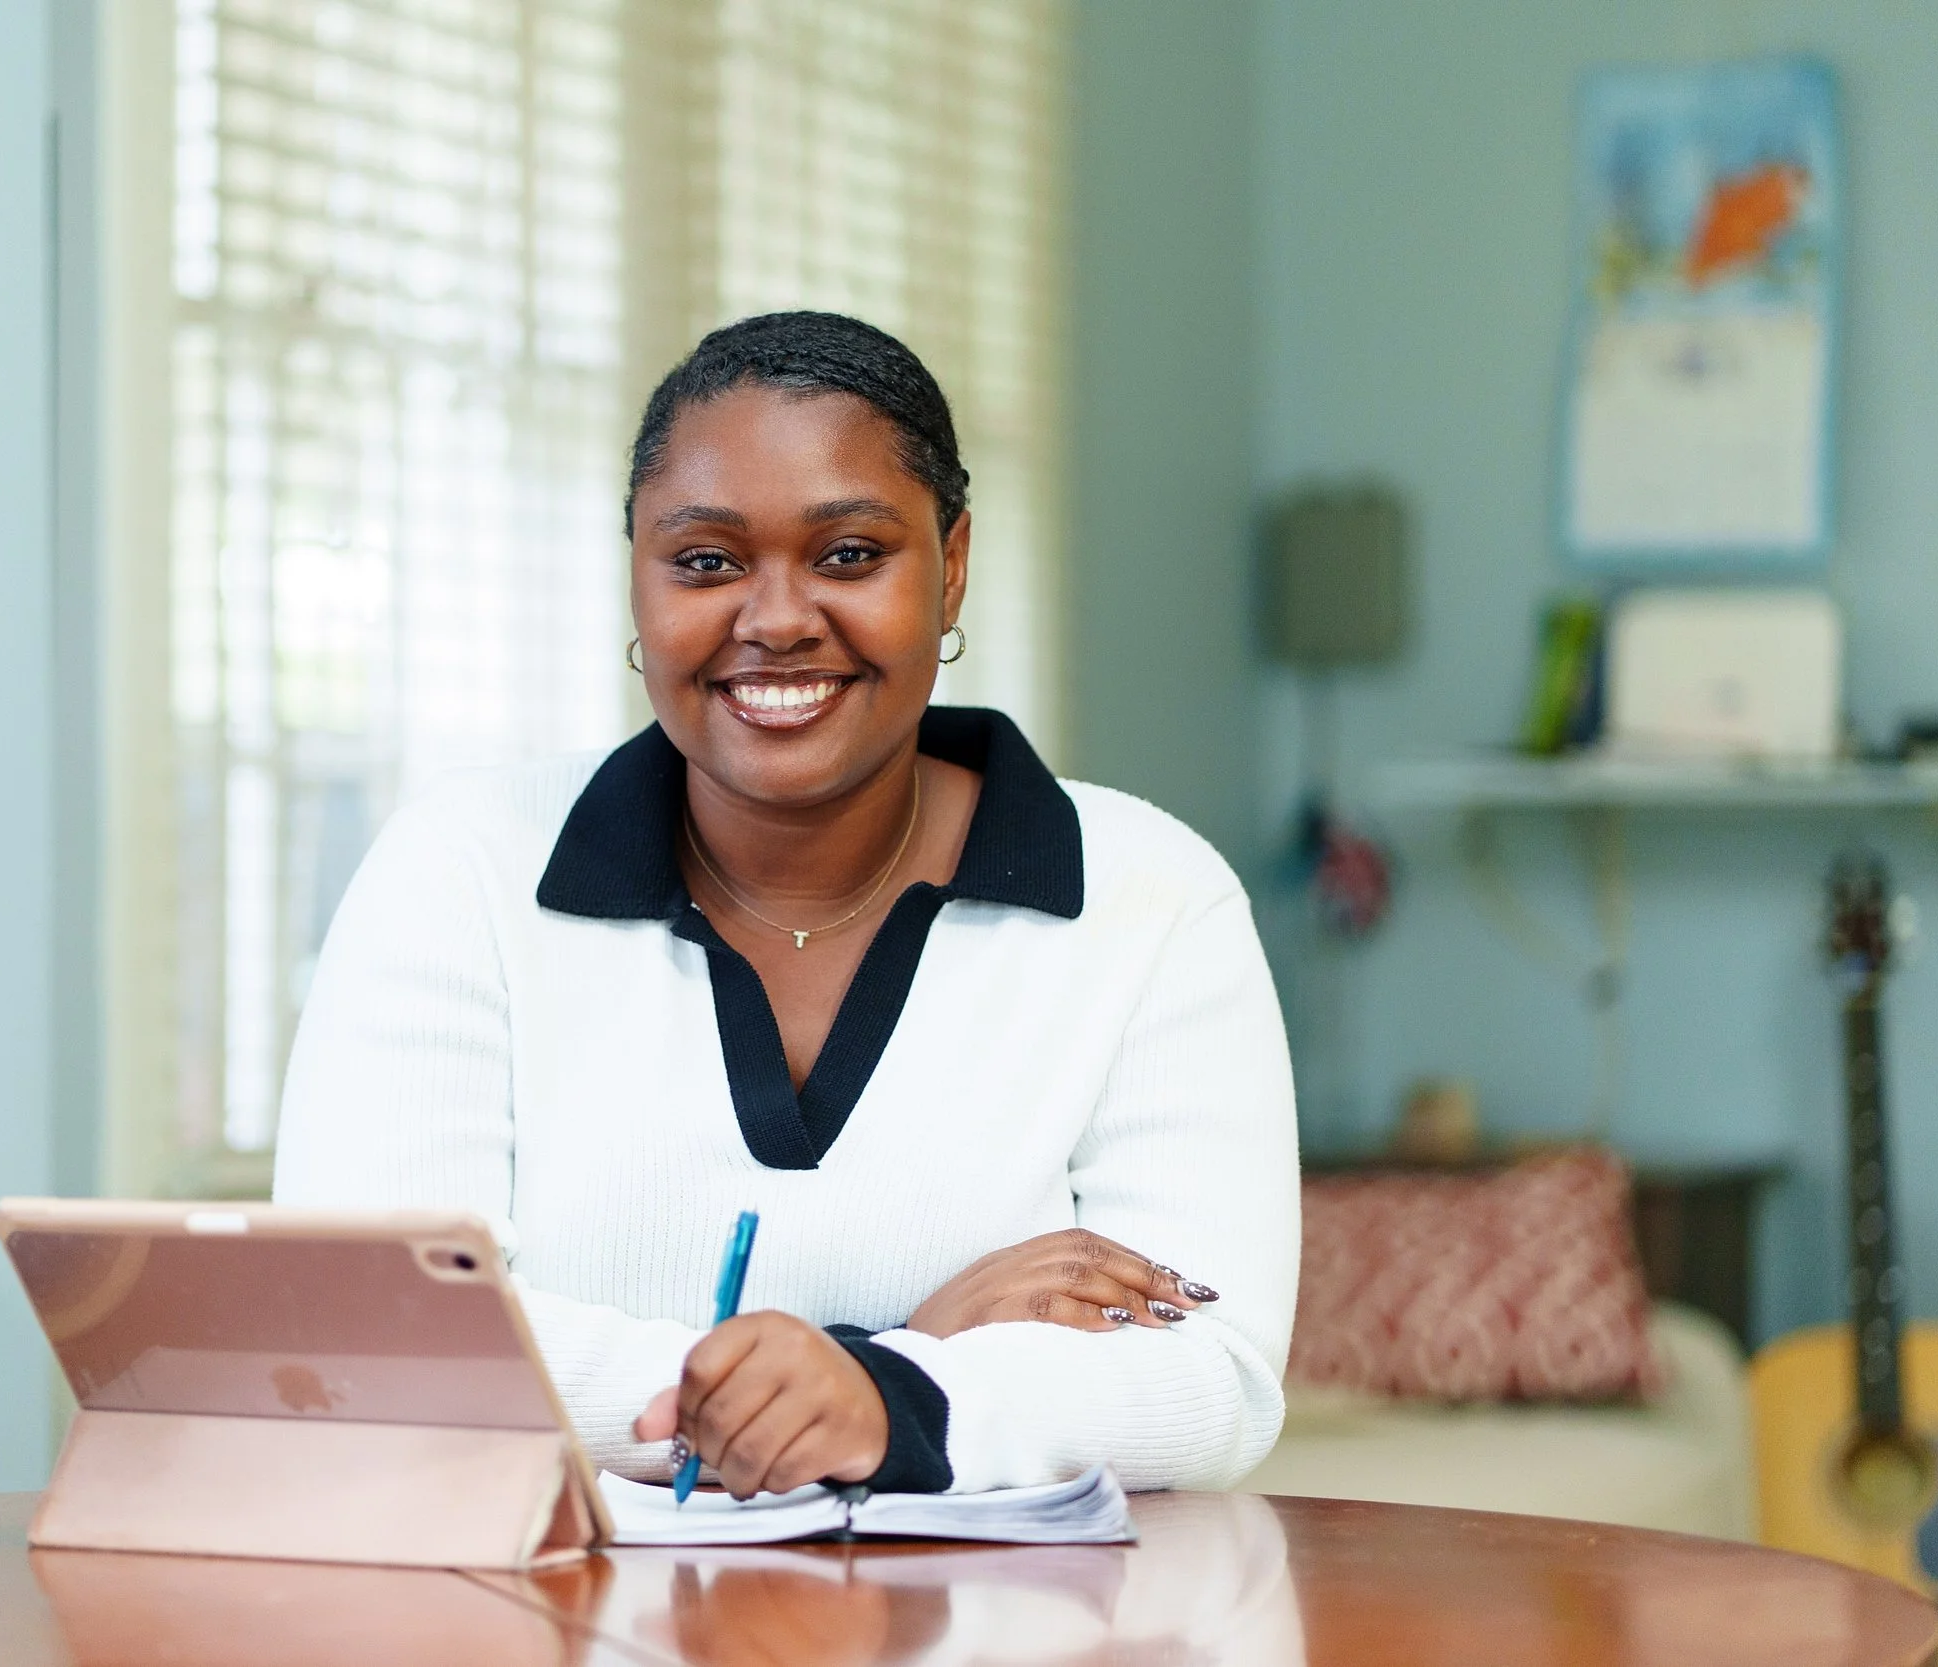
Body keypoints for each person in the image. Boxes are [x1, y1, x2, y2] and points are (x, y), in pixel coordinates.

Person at [273, 312, 1299, 1499]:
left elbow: (1210, 1383)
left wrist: (864, 1394)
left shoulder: (1152, 896)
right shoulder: (458, 870)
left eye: (850, 554)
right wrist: (891, 1370)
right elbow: (372, 1345)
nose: (774, 619)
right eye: (705, 561)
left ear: (952, 561)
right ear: (637, 581)